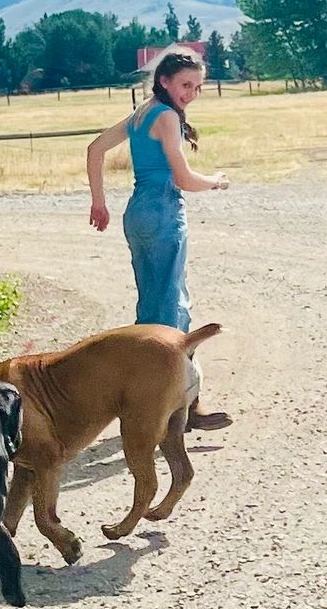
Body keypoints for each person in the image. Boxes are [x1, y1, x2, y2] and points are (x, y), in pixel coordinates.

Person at [87, 44, 232, 428]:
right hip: (164, 213)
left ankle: (149, 401)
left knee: (151, 309)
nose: (190, 93)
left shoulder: (141, 114)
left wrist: (99, 203)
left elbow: (94, 149)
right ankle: (175, 409)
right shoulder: (166, 116)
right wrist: (215, 181)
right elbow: (183, 178)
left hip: (137, 213)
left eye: (197, 87)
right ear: (164, 81)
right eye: (185, 84)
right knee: (171, 312)